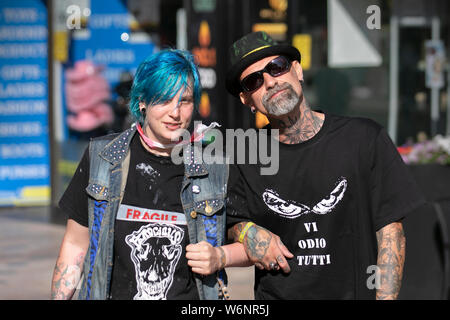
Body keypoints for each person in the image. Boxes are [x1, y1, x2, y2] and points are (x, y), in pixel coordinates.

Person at [224, 31, 426, 300]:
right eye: (254, 81)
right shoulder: (244, 155)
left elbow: (390, 232)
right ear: (246, 99)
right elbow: (230, 220)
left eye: (277, 67)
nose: (271, 82)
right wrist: (246, 231)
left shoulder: (363, 138)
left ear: (297, 70)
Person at [51, 49, 255, 300]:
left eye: (185, 100)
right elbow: (75, 245)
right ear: (142, 101)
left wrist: (220, 257)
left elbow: (251, 245)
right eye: (164, 100)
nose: (175, 112)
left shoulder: (215, 169)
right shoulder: (102, 158)